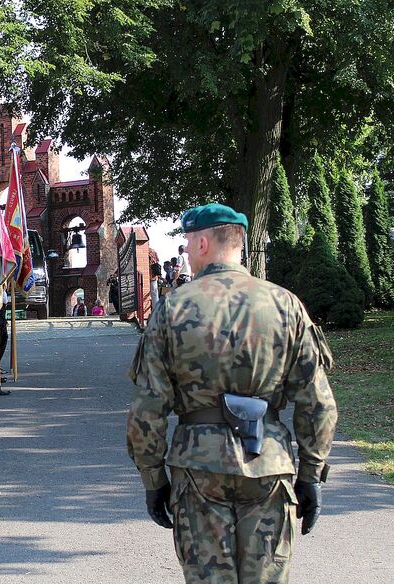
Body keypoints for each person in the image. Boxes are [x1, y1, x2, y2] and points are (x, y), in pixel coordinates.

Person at [126, 203, 338, 583]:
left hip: (198, 467)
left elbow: (149, 407)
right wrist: (311, 474)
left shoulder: (173, 308)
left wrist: (153, 480)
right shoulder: (285, 305)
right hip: (268, 464)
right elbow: (317, 401)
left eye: (189, 243)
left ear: (204, 242)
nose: (187, 253)